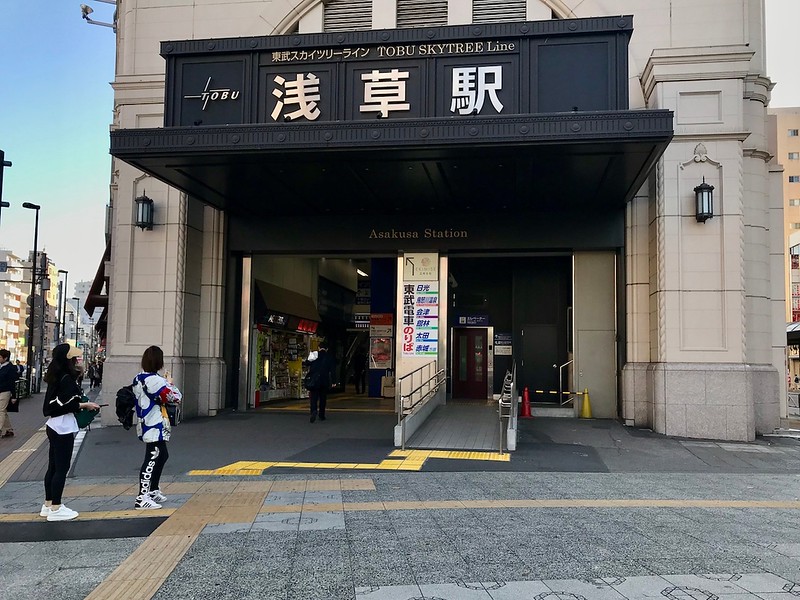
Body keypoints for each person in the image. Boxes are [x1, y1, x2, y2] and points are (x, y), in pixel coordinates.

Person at [41, 343, 100, 521]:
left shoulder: (55, 375)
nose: (77, 361)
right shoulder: (66, 378)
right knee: (61, 468)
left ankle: (48, 504)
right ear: (68, 359)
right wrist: (86, 405)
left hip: (53, 425)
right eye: (74, 358)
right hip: (63, 427)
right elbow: (68, 404)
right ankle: (57, 508)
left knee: (53, 467)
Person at [132, 345, 182, 510]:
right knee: (152, 458)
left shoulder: (139, 378)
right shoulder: (156, 380)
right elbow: (174, 397)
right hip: (154, 423)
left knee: (162, 455)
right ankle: (142, 496)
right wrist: (170, 384)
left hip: (145, 422)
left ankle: (152, 490)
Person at [306, 341, 336, 423]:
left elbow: (307, 363)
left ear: (319, 348)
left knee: (314, 397)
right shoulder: (330, 357)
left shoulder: (314, 354)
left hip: (314, 380)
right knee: (323, 398)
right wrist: (334, 381)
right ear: (327, 349)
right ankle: (321, 415)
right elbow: (333, 370)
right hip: (324, 380)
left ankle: (313, 411)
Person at [0, 349, 19, 438]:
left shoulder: (10, 368)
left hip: (5, 391)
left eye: (0, 357)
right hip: (1, 391)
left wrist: (14, 396)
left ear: (5, 358)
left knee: (1, 410)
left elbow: (12, 382)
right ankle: (8, 429)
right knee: (3, 411)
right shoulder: (1, 366)